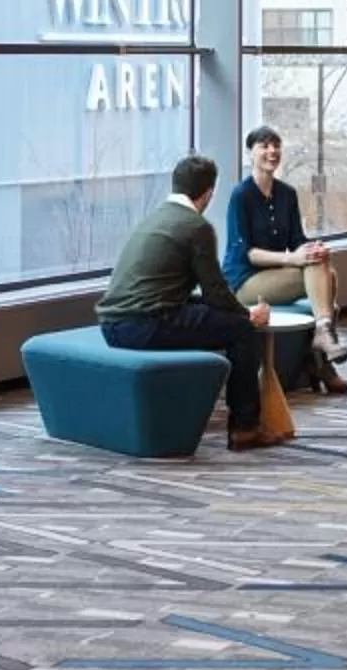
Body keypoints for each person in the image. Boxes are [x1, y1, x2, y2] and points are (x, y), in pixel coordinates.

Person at [98, 155, 286, 453]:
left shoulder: (156, 217)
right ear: (208, 193)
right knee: (241, 330)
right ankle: (245, 427)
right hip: (144, 324)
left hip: (115, 324)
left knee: (217, 318)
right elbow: (215, 293)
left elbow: (187, 293)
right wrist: (248, 315)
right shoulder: (195, 226)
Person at [223, 126, 347, 395]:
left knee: (323, 268)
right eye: (264, 146)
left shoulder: (287, 194)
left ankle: (322, 342)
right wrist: (293, 258)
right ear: (251, 153)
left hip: (275, 275)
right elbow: (247, 254)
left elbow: (297, 240)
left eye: (276, 145)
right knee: (324, 276)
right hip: (244, 281)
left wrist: (313, 249)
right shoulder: (241, 195)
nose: (272, 151)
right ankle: (323, 357)